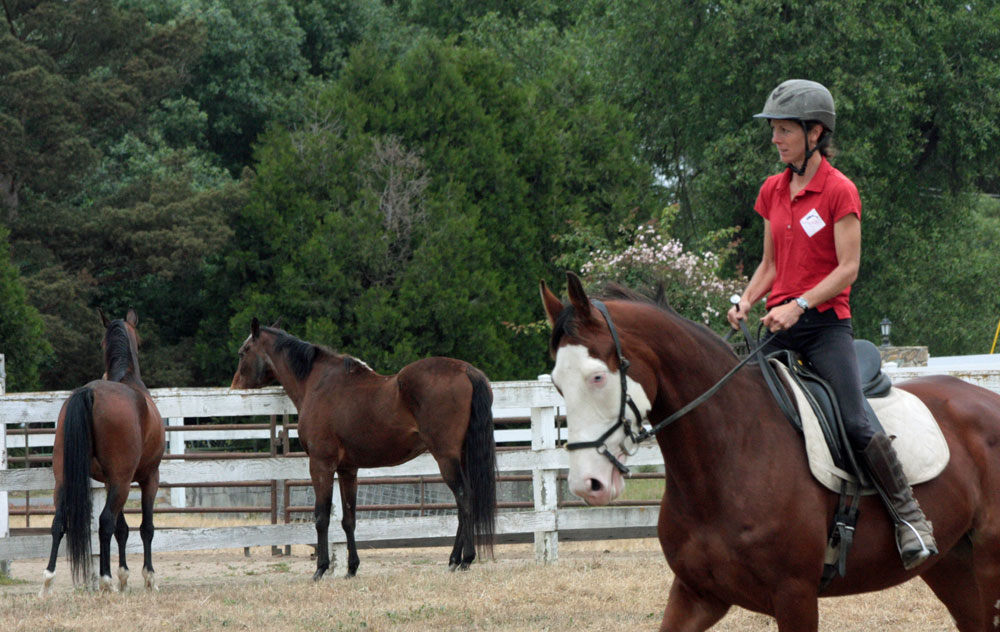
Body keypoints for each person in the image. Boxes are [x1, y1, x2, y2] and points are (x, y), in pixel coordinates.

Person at [727, 79, 937, 570]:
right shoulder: (771, 190)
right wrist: (746, 299)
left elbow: (848, 269)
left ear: (815, 133)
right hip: (779, 326)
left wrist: (799, 304)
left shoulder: (840, 190)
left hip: (825, 328)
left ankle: (910, 518)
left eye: (783, 131)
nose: (775, 139)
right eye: (774, 130)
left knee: (854, 418)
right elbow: (770, 264)